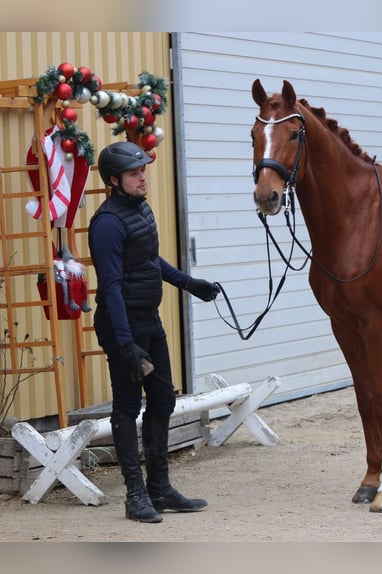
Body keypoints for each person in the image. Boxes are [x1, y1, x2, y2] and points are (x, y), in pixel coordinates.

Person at [88, 141, 220, 523]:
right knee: (128, 407)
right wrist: (126, 344)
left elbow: (147, 259)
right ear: (114, 181)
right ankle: (135, 495)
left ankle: (160, 489)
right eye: (134, 173)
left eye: (143, 170)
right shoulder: (108, 223)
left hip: (148, 318)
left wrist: (188, 283)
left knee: (162, 400)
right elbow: (111, 285)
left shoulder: (139, 210)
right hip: (121, 326)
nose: (142, 177)